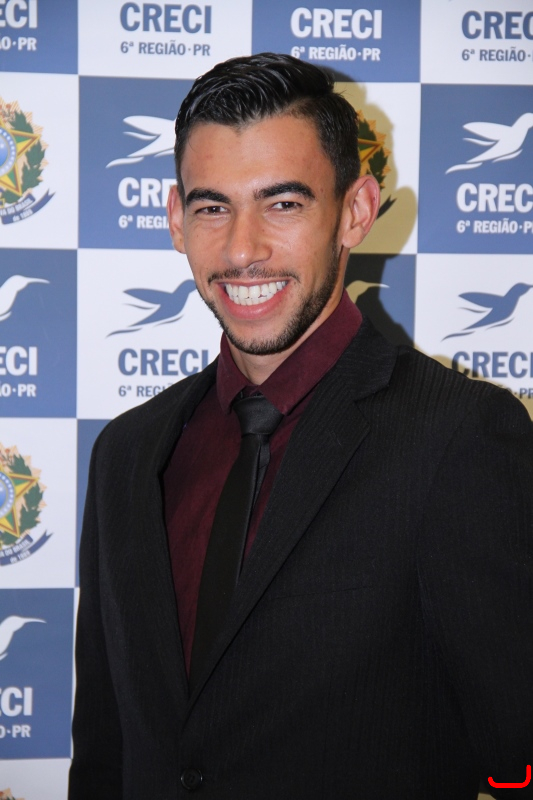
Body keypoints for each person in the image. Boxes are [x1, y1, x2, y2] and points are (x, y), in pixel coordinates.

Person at [69, 53, 533, 800]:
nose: (241, 249)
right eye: (212, 207)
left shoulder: (458, 438)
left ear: (355, 211)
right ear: (175, 218)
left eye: (282, 204)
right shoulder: (125, 453)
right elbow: (105, 754)